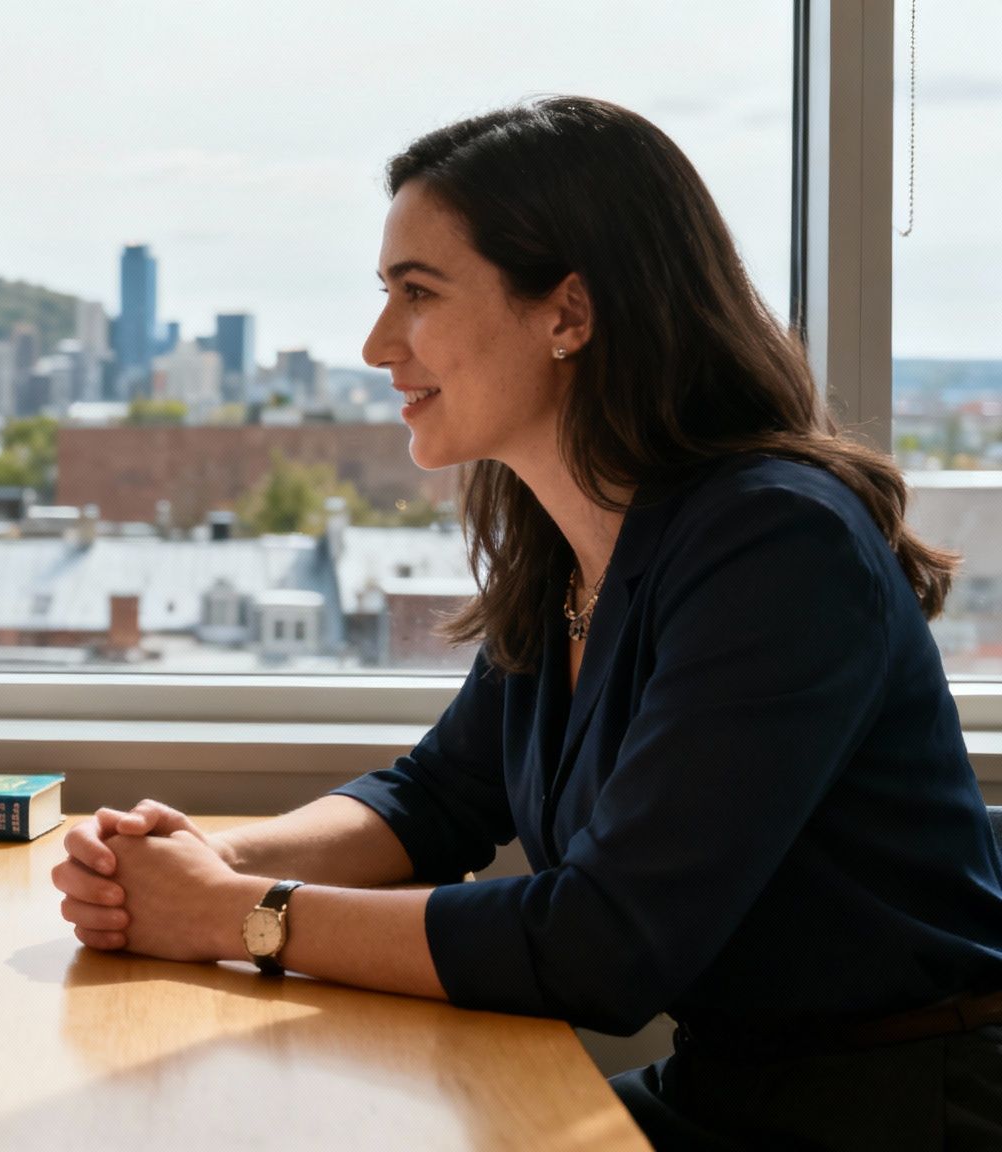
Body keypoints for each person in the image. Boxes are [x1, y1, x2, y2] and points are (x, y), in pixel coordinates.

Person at [52, 97, 1002, 1150]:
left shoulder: (775, 545)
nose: (376, 345)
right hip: (728, 1087)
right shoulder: (572, 537)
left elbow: (601, 948)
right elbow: (435, 799)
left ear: (567, 314)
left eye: (416, 293)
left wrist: (239, 916)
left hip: (899, 1116)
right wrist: (204, 861)